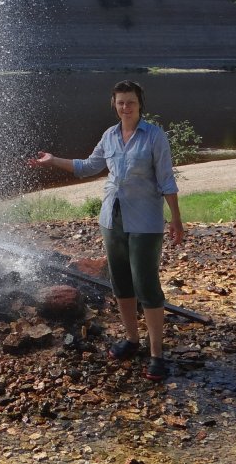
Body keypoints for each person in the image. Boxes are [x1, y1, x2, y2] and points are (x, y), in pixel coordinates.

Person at [29, 80, 183, 382]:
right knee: (121, 282)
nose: (126, 107)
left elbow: (166, 180)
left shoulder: (154, 136)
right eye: (121, 102)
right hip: (112, 219)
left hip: (145, 221)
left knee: (147, 285)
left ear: (140, 104)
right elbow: (88, 166)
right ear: (114, 104)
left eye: (131, 102)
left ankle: (157, 354)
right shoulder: (110, 136)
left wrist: (176, 219)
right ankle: (131, 340)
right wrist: (53, 161)